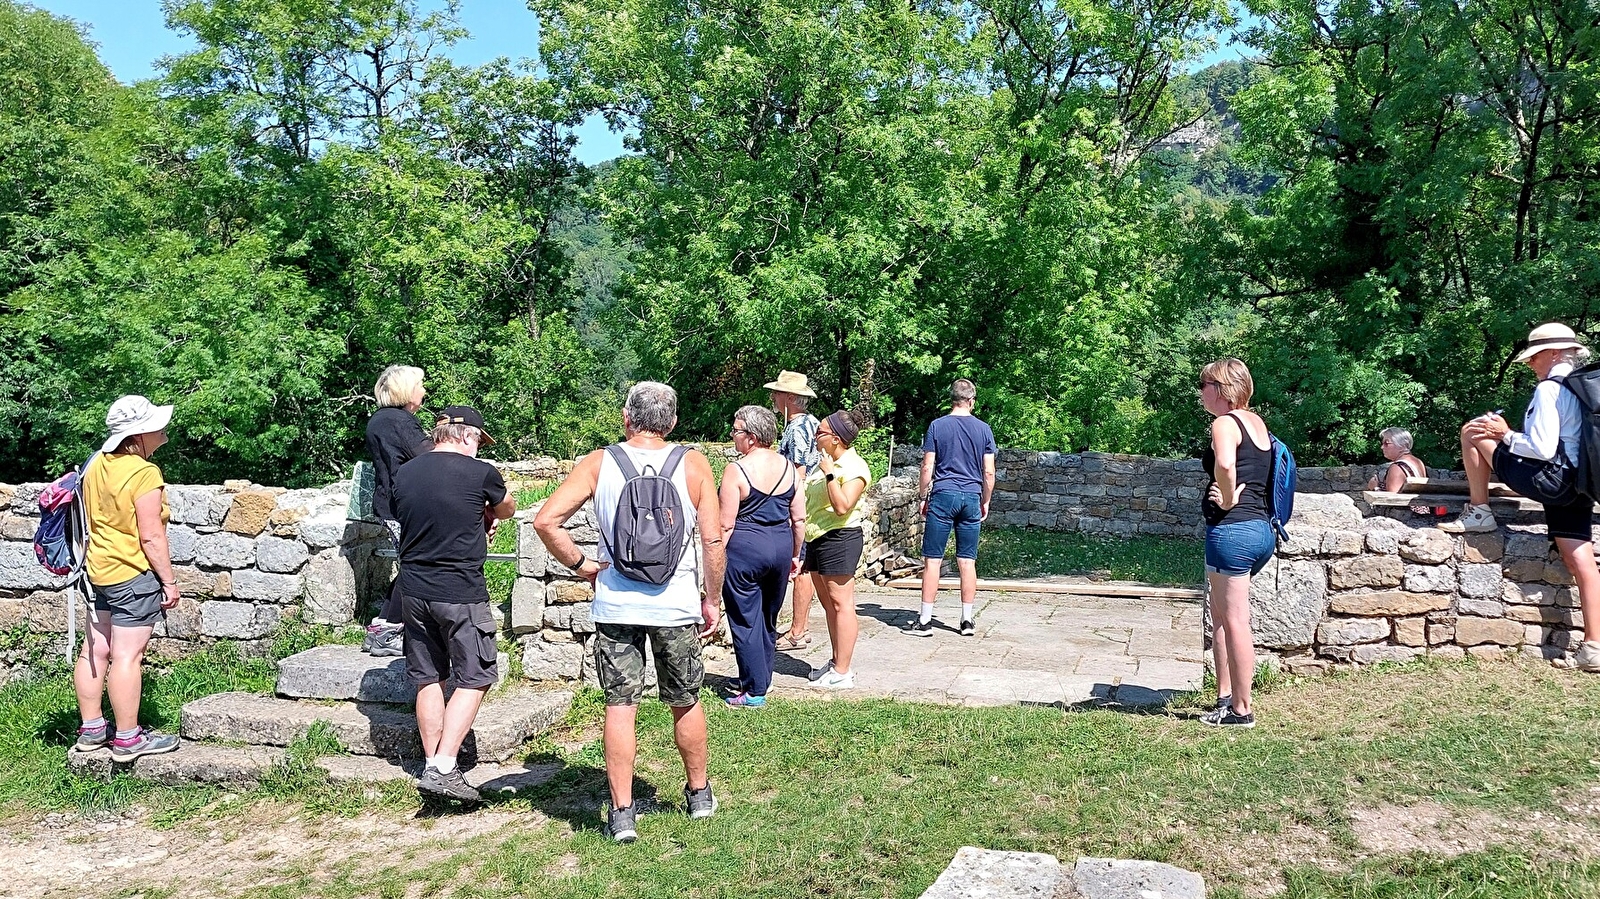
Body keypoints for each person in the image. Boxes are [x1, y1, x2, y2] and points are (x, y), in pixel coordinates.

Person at [533, 382, 725, 843]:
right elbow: (713, 540)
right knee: (686, 699)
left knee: (621, 705)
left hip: (617, 602)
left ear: (626, 417)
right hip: (675, 603)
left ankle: (621, 814)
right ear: (673, 422)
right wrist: (711, 599)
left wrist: (583, 567)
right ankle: (698, 795)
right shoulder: (694, 463)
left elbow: (545, 521)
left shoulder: (599, 463)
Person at [1439, 323, 1600, 672]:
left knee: (1472, 430)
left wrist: (1505, 434)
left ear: (1554, 353)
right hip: (1579, 483)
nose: (1530, 364)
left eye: (1534, 356)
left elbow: (1541, 448)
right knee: (1581, 561)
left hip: (1550, 480)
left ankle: (1479, 511)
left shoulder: (1549, 390)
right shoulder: (1583, 388)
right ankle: (1593, 647)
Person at [393, 405, 516, 802]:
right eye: (479, 439)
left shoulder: (407, 472)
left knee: (429, 678)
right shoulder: (480, 474)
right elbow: (509, 507)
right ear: (465, 436)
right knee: (476, 676)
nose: (480, 447)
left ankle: (432, 767)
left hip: (412, 590)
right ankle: (445, 766)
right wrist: (487, 510)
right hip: (460, 591)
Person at [73, 395, 182, 760]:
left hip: (95, 571)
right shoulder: (144, 473)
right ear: (137, 437)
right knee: (127, 656)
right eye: (156, 428)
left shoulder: (96, 464)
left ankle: (91, 730)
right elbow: (151, 535)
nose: (162, 432)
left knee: (95, 650)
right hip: (132, 575)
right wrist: (169, 582)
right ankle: (128, 738)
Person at [1197, 359, 1275, 728]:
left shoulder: (1224, 423)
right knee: (1224, 619)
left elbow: (1226, 467)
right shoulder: (1256, 423)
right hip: (1260, 530)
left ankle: (1242, 710)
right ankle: (1225, 696)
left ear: (1221, 388)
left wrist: (1226, 499)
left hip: (1232, 531)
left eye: (1204, 384)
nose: (1200, 392)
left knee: (1235, 620)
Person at [719, 406, 806, 708]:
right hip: (780, 547)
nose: (733, 436)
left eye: (736, 430)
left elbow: (726, 523)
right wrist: (795, 554)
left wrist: (715, 562)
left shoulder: (737, 470)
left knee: (745, 618)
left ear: (752, 437)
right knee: (769, 616)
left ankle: (754, 690)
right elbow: (799, 519)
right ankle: (758, 677)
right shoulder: (789, 469)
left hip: (745, 550)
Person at [906, 378, 996, 638]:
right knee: (967, 560)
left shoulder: (937, 426)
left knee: (932, 559)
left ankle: (924, 621)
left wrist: (924, 495)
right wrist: (985, 499)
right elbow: (988, 472)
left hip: (943, 496)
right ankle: (966, 620)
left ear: (952, 399)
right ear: (971, 400)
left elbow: (927, 467)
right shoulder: (983, 430)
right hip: (970, 496)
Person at [363, 365, 433, 657]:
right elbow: (431, 457)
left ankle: (384, 627)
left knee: (412, 564)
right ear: (406, 389)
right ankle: (387, 629)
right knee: (417, 565)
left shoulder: (380, 420)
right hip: (404, 508)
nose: (424, 391)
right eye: (420, 385)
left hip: (390, 505)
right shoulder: (400, 422)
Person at [803, 407, 873, 690]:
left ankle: (843, 671)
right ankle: (835, 662)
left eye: (820, 432)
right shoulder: (825, 461)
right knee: (829, 605)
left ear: (835, 438)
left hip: (840, 538)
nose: (816, 435)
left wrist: (830, 475)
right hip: (818, 537)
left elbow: (842, 505)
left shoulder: (854, 468)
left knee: (842, 605)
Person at [767, 370, 821, 650]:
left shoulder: (797, 428)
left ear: (790, 397)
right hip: (811, 502)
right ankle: (801, 626)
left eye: (776, 393)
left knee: (799, 566)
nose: (773, 398)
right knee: (805, 566)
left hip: (799, 502)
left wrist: (788, 505)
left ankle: (797, 631)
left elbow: (799, 470)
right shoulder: (812, 423)